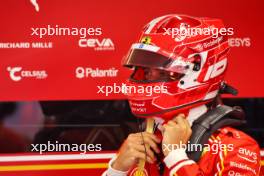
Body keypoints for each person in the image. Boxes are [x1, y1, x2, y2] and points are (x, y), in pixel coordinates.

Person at [103, 14, 261, 176]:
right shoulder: (142, 143)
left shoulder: (236, 148)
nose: (147, 77)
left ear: (197, 72)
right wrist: (116, 169)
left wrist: (176, 157)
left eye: (159, 70)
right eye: (144, 70)